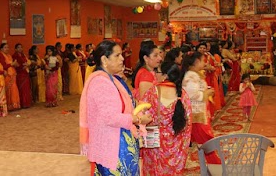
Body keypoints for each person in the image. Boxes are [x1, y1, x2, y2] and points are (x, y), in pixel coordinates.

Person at [79, 40, 152, 175]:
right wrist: (137, 120)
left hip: (120, 141)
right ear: (104, 60)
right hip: (112, 146)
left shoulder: (112, 79)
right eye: (117, 56)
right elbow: (110, 117)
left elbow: (127, 104)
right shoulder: (101, 82)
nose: (122, 59)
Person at [140, 61, 192, 175]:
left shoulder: (152, 93)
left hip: (155, 142)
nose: (154, 74)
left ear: (165, 75)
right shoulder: (182, 95)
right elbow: (187, 126)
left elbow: (141, 114)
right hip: (176, 143)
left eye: (157, 71)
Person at [181, 51, 219, 163]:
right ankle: (216, 164)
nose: (205, 63)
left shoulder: (195, 74)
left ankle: (212, 164)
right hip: (195, 113)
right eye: (203, 61)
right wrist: (206, 94)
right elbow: (191, 94)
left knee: (205, 139)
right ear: (196, 62)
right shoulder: (191, 75)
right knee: (206, 140)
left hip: (199, 111)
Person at [0, 43, 21, 111]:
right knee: (9, 90)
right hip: (7, 75)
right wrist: (11, 64)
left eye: (8, 47)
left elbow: (12, 64)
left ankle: (14, 105)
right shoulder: (0, 55)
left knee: (14, 89)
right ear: (1, 49)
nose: (7, 49)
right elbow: (3, 66)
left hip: (13, 75)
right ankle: (9, 105)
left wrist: (15, 64)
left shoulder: (9, 55)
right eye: (5, 47)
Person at [12, 43, 32, 108]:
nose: (20, 48)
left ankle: (27, 103)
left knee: (26, 89)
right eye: (18, 47)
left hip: (25, 73)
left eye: (21, 47)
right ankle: (23, 103)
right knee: (22, 89)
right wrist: (22, 67)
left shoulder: (23, 55)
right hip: (20, 74)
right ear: (15, 49)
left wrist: (27, 64)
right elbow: (16, 65)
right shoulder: (14, 56)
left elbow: (27, 62)